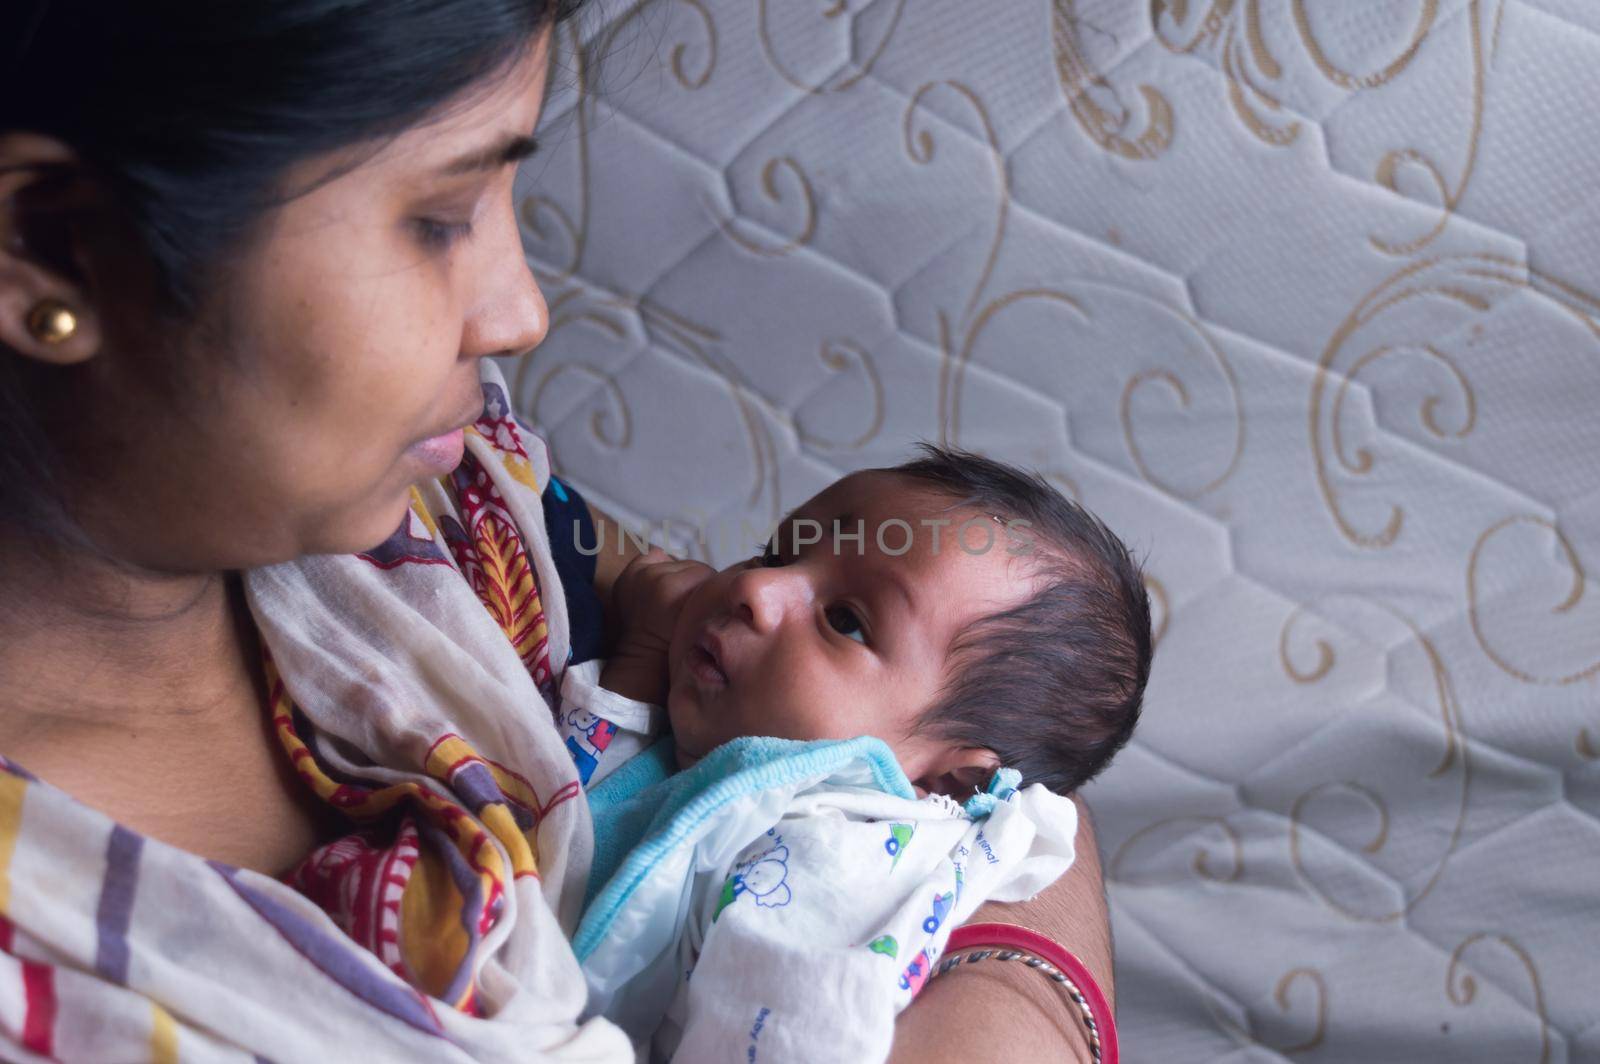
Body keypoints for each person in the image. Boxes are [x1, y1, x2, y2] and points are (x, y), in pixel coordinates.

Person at [0, 1, 1115, 1059]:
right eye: (439, 221)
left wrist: (1020, 986)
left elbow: (1008, 764)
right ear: (53, 247)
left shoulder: (466, 496)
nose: (521, 311)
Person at [542, 446, 1148, 1061]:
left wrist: (640, 660)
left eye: (845, 621)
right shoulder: (749, 749)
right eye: (777, 553)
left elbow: (556, 850)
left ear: (951, 778)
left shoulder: (826, 874)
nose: (756, 586)